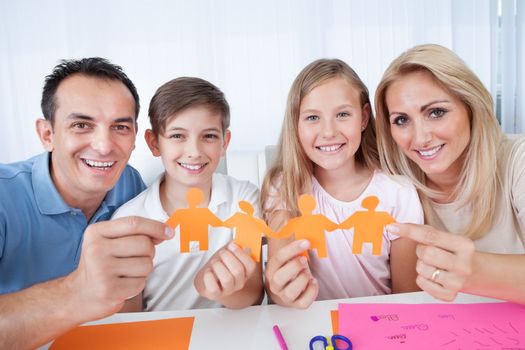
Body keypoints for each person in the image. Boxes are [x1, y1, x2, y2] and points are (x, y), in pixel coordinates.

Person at [0, 58, 173, 349]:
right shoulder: (5, 197)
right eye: (81, 125)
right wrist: (77, 290)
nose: (104, 146)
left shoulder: (129, 185)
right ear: (47, 134)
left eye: (119, 127)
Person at [262, 58, 424, 309]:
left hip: (381, 326)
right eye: (312, 117)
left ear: (363, 117)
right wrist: (282, 290)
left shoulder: (398, 192)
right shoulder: (284, 187)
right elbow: (280, 292)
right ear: (296, 124)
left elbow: (407, 298)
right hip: (309, 326)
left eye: (342, 114)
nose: (328, 132)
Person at [375, 44, 525, 304]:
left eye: (436, 112)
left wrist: (477, 272)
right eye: (401, 120)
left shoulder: (517, 160)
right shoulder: (392, 188)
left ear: (471, 106)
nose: (420, 138)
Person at [113, 77, 263, 311]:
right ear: (154, 143)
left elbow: (253, 294)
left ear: (225, 142)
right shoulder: (128, 220)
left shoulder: (244, 199)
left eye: (209, 136)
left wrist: (217, 287)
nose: (194, 152)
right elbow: (128, 316)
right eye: (177, 136)